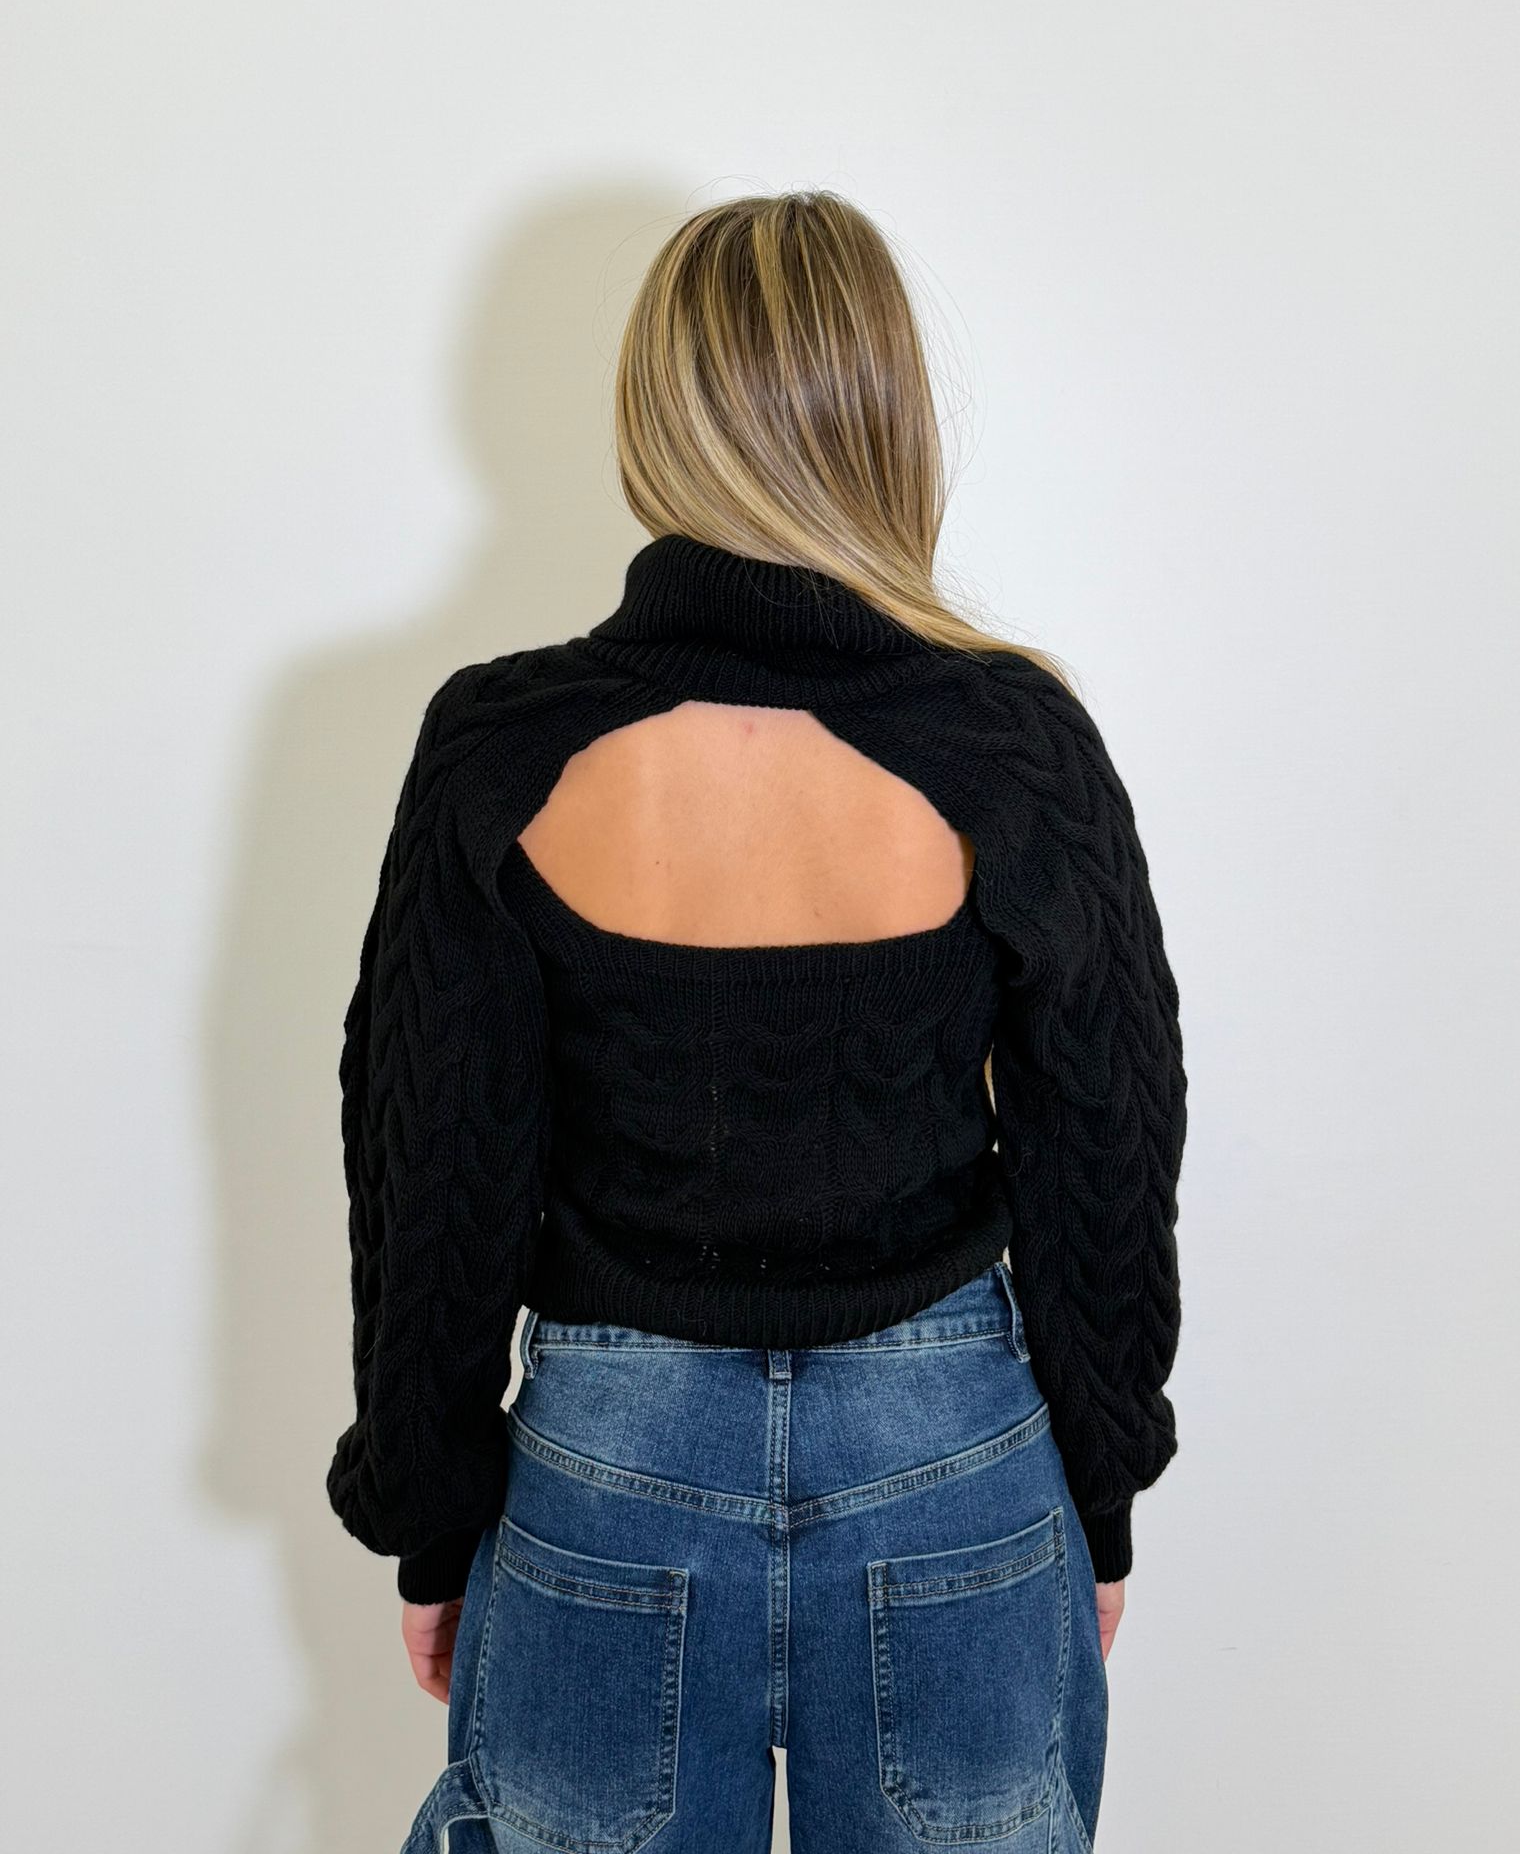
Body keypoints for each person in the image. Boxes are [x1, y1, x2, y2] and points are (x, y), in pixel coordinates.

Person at [325, 190, 1188, 1853]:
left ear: (655, 410)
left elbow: (433, 1175)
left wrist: (435, 1524)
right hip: (954, 1468)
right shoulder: (1012, 741)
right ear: (888, 420)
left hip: (606, 1474)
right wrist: (1100, 1497)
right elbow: (1108, 1153)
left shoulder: (505, 746)